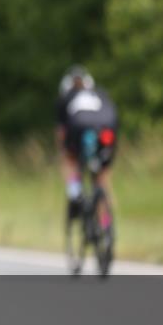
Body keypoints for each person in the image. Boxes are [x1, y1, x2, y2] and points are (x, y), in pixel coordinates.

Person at [55, 65, 118, 230]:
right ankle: (106, 224)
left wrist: (65, 151)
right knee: (102, 176)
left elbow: (62, 133)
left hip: (79, 126)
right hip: (107, 127)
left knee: (70, 160)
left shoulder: (66, 97)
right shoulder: (100, 93)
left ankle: (75, 193)